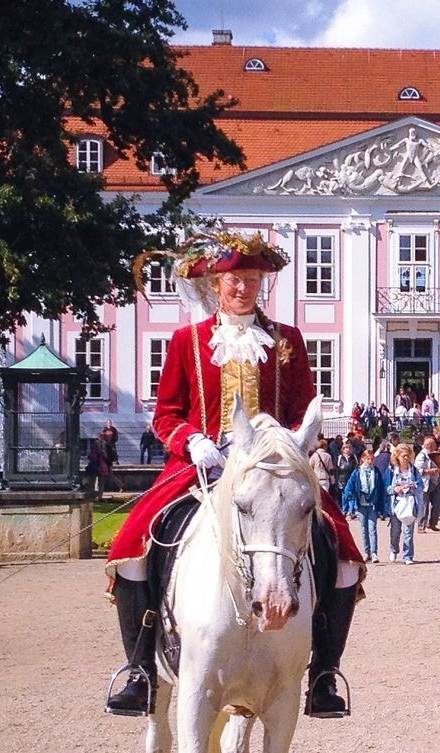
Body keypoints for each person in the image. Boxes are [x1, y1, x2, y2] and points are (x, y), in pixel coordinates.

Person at [104, 230, 363, 719]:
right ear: (214, 284)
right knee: (131, 547)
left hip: (270, 469)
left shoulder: (288, 341)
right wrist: (192, 441)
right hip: (201, 466)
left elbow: (301, 408)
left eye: (251, 279)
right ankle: (139, 671)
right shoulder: (187, 341)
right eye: (233, 280)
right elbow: (166, 414)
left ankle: (325, 673)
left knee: (344, 551)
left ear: (262, 283)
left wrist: (284, 446)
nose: (242, 288)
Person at [343, 448, 388, 563]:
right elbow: (350, 485)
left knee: (372, 529)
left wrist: (382, 505)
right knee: (364, 529)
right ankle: (366, 552)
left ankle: (374, 553)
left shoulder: (376, 472)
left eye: (372, 459)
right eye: (367, 459)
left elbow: (381, 488)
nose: (369, 461)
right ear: (362, 459)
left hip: (372, 504)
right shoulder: (357, 472)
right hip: (361, 504)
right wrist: (348, 497)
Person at [387, 442, 423, 564]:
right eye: (403, 456)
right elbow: (387, 488)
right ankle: (394, 549)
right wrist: (395, 489)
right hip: (397, 503)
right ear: (397, 456)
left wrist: (414, 487)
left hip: (410, 503)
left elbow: (420, 486)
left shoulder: (414, 470)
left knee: (408, 532)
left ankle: (408, 556)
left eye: (408, 455)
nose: (406, 458)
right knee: (395, 531)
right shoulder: (392, 470)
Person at [415, 435, 440, 530]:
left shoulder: (436, 454)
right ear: (430, 445)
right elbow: (417, 469)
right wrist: (428, 471)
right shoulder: (422, 456)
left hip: (436, 482)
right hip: (426, 482)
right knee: (424, 505)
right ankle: (421, 526)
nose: (436, 445)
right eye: (434, 444)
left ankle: (432, 523)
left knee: (437, 504)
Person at [333, 440, 357, 506]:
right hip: (342, 478)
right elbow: (336, 468)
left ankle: (351, 510)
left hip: (351, 477)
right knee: (343, 493)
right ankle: (344, 508)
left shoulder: (353, 457)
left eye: (349, 448)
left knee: (351, 493)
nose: (347, 450)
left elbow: (356, 467)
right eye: (346, 448)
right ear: (343, 449)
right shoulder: (339, 458)